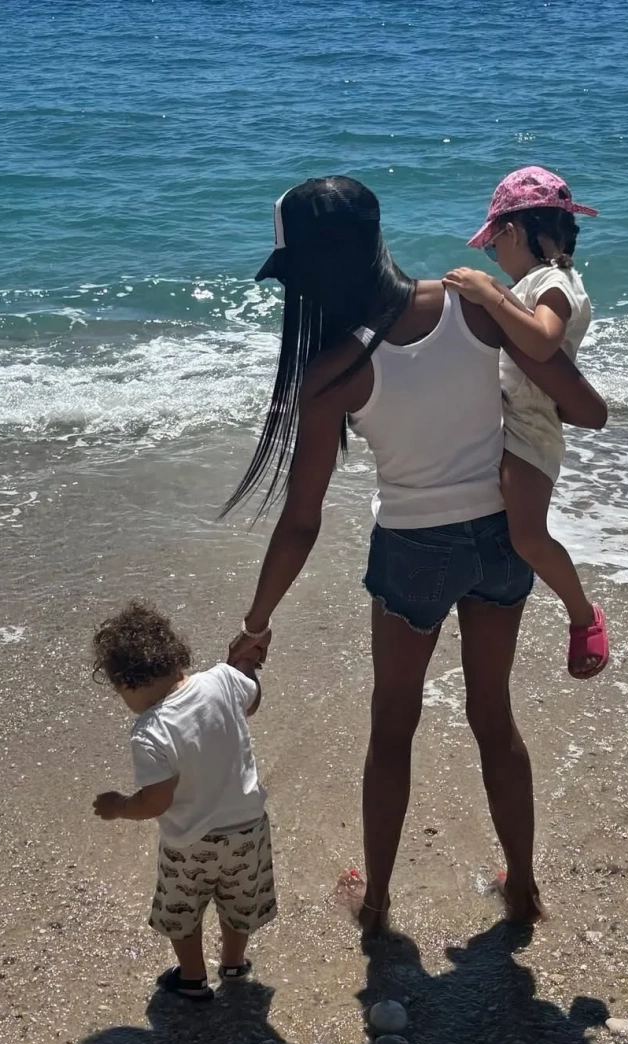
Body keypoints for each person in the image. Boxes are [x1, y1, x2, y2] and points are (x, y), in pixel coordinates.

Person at [225, 177, 607, 929]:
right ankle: (524, 890)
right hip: (502, 537)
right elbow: (578, 403)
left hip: (411, 550)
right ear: (374, 238)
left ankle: (375, 903)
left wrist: (257, 622)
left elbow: (301, 522)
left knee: (392, 726)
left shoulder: (332, 371)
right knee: (493, 715)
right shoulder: (476, 304)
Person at [443, 166, 608, 679]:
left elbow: (541, 342)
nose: (494, 260)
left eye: (494, 249)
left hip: (530, 428)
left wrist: (490, 293)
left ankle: (582, 614)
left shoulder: (553, 282)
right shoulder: (535, 283)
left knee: (528, 537)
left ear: (513, 233)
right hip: (511, 418)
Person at [91, 600, 275, 1002]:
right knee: (238, 903)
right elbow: (253, 698)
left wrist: (120, 806)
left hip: (190, 844)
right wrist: (245, 665)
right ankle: (233, 964)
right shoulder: (222, 680)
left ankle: (192, 978)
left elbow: (156, 801)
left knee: (184, 911)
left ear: (127, 684)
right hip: (248, 830)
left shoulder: (150, 731)